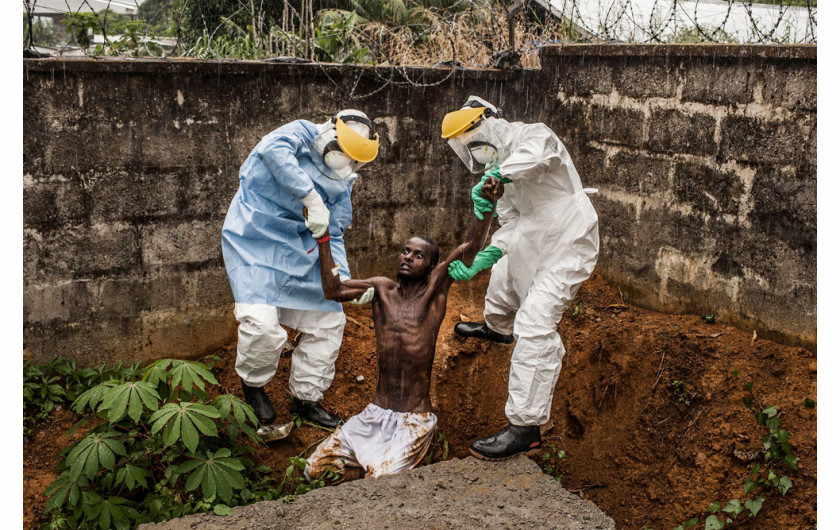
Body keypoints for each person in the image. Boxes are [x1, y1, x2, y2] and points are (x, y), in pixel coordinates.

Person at [304, 177, 503, 481]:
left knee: (381, 482)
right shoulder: (382, 290)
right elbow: (333, 290)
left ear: (431, 265)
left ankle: (380, 467)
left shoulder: (434, 291)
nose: (408, 257)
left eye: (418, 255)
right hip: (374, 414)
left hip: (413, 418)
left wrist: (486, 205)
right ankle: (362, 466)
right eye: (405, 251)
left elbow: (471, 246)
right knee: (314, 470)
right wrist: (322, 238)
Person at [442, 96, 600, 460]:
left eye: (476, 141)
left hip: (569, 236)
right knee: (503, 276)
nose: (477, 152)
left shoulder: (534, 136)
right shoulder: (496, 173)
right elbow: (511, 224)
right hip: (530, 233)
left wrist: (498, 175)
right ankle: (497, 328)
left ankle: (525, 428)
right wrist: (484, 258)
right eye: (468, 148)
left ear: (491, 122)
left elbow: (537, 157)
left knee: (535, 323)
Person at [221, 110, 380, 430]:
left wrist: (343, 278)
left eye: (352, 158)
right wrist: (311, 198)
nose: (343, 160)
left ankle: (306, 398)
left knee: (329, 322)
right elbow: (271, 152)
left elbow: (333, 233)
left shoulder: (342, 179)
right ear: (330, 133)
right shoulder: (298, 134)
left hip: (300, 251)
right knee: (262, 326)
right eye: (342, 150)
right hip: (254, 241)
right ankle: (252, 388)